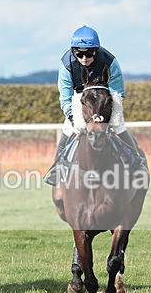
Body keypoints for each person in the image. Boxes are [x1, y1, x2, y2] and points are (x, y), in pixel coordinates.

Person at [44, 25, 139, 186]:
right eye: (79, 53)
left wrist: (110, 119)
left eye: (89, 53)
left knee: (120, 126)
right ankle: (57, 169)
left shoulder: (110, 61)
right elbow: (65, 96)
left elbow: (117, 93)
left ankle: (136, 162)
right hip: (80, 100)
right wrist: (75, 119)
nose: (84, 58)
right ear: (73, 51)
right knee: (68, 129)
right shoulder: (66, 63)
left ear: (97, 50)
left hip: (106, 100)